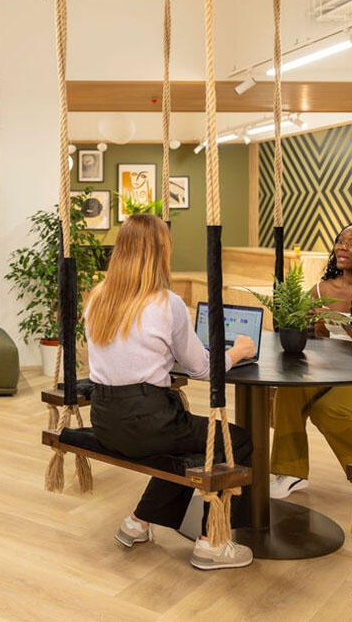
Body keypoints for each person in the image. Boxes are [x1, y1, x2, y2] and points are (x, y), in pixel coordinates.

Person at [84, 213, 258, 571]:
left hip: (104, 419)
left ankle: (139, 521)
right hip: (149, 423)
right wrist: (239, 351)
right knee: (235, 441)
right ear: (161, 251)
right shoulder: (167, 304)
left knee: (187, 445)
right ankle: (212, 543)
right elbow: (203, 369)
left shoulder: (98, 297)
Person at [269, 223, 352, 502]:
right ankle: (290, 472)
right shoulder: (321, 290)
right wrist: (310, 326)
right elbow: (318, 338)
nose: (343, 247)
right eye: (341, 241)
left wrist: (345, 323)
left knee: (329, 410)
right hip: (334, 369)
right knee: (288, 393)